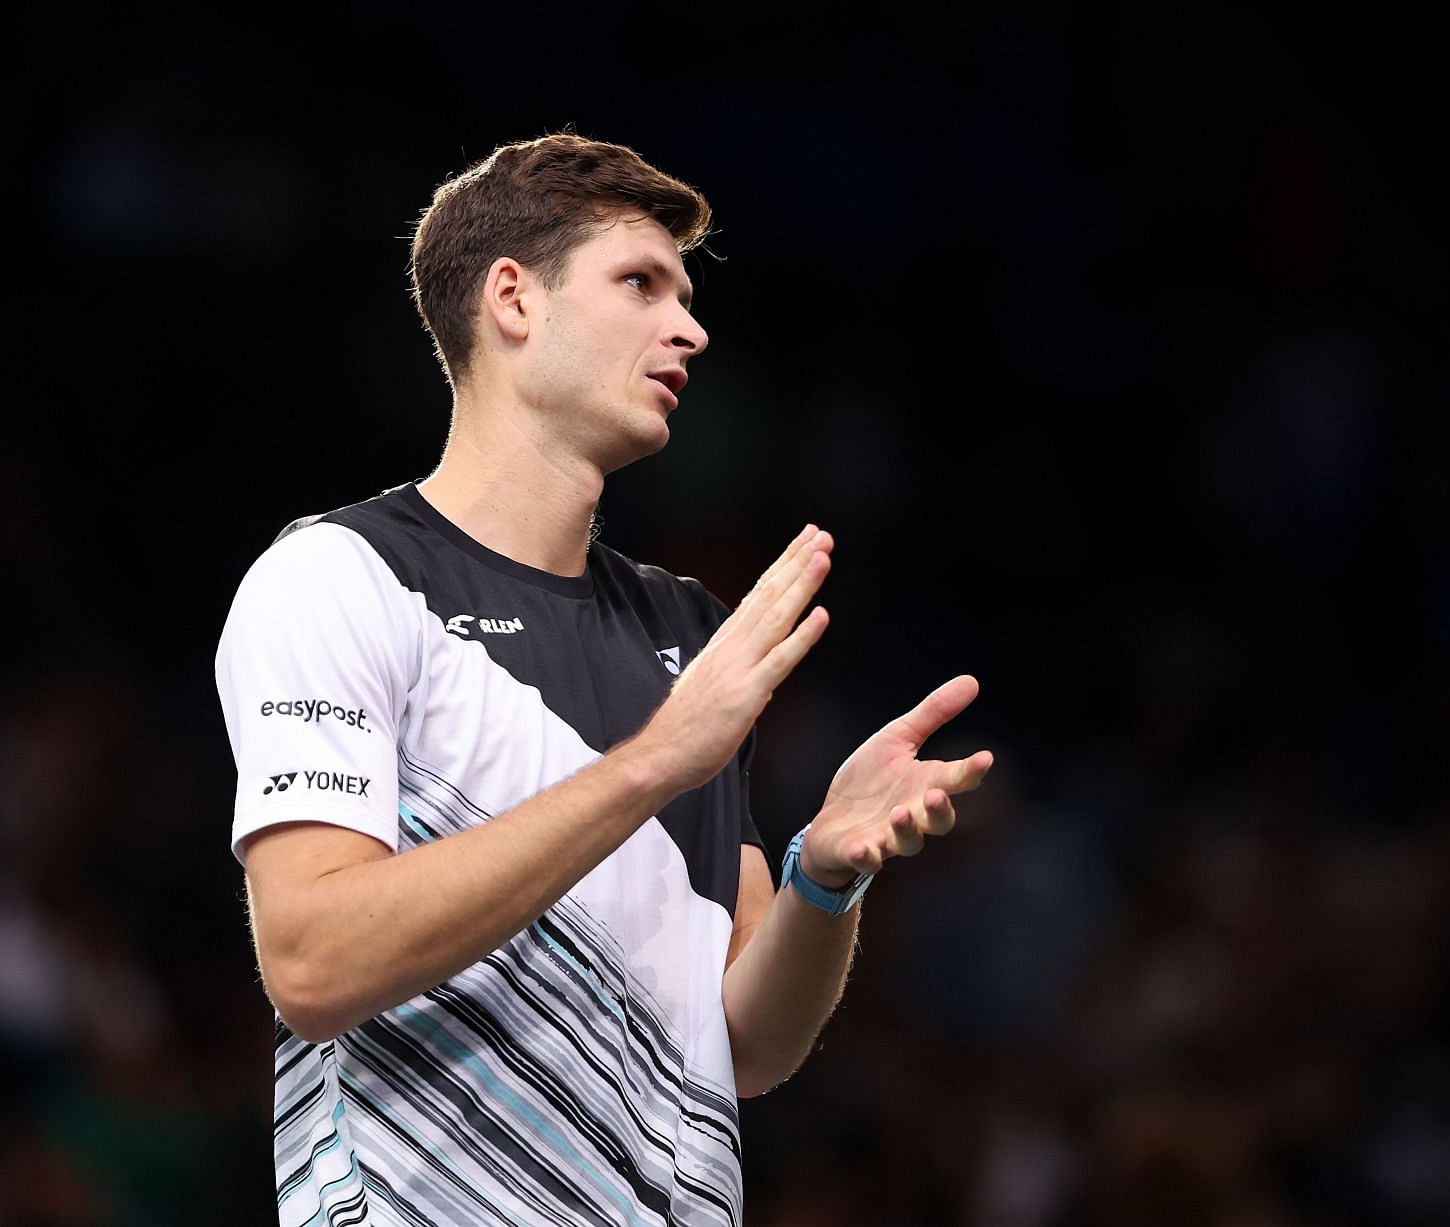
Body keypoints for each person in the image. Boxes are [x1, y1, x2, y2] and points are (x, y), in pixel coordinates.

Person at [214, 132, 993, 1226]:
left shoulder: (687, 631)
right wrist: (653, 766)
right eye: (640, 283)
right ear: (513, 302)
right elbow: (313, 961)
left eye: (686, 293)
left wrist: (823, 879)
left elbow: (746, 1046)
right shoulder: (338, 580)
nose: (691, 328)